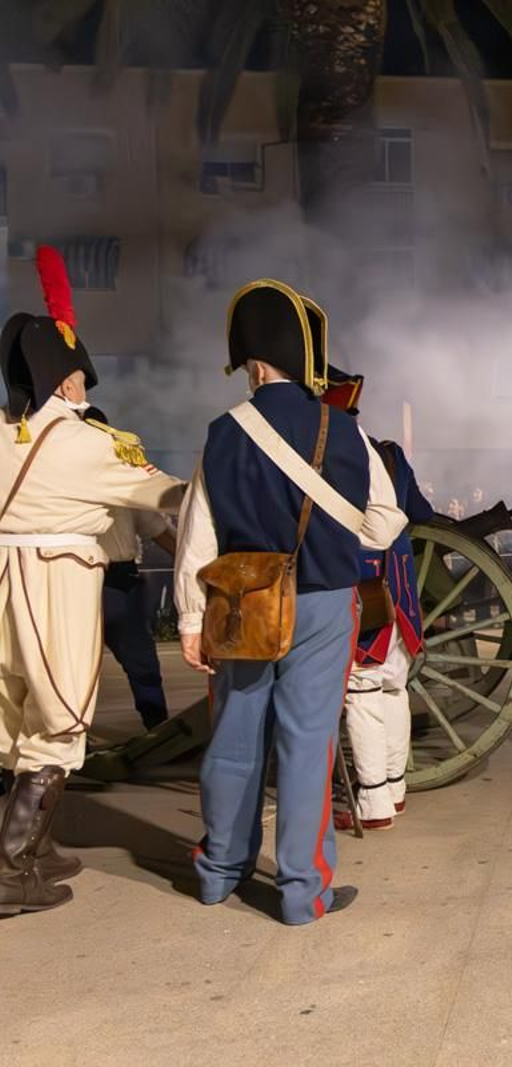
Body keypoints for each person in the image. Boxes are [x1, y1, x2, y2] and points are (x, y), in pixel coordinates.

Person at [174, 282, 406, 924]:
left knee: (233, 738)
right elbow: (386, 522)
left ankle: (218, 874)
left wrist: (192, 620)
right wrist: (336, 539)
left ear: (252, 361)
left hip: (243, 603)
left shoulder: (223, 433)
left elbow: (200, 533)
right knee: (308, 747)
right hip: (326, 603)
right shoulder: (346, 430)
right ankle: (303, 894)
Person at [0, 247, 188, 916]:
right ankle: (13, 867)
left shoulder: (3, 435)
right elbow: (171, 499)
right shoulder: (91, 445)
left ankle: (35, 846)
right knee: (58, 724)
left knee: (15, 719)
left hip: (3, 589)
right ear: (70, 383)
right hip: (56, 589)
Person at [318, 366, 436, 833]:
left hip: (362, 585)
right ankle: (394, 788)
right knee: (392, 686)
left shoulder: (329, 455)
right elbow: (420, 513)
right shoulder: (389, 454)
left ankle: (372, 804)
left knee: (362, 692)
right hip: (401, 587)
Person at [87, 405, 179, 730]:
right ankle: (64, 741)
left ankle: (157, 726)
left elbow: (155, 526)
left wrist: (195, 559)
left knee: (143, 663)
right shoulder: (63, 473)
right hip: (78, 577)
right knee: (74, 668)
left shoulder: (123, 475)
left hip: (119, 579)